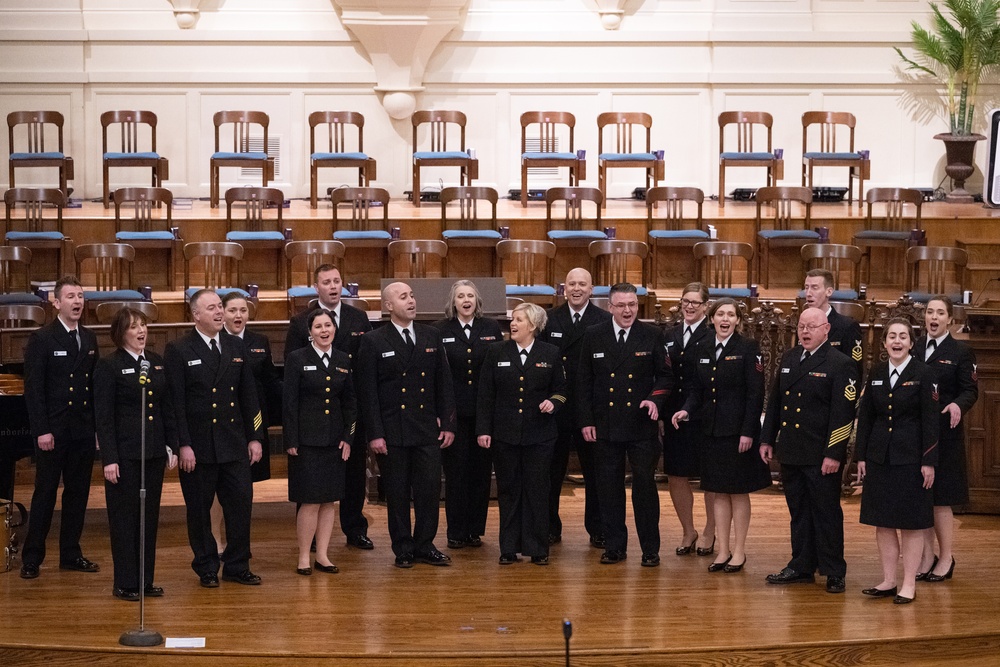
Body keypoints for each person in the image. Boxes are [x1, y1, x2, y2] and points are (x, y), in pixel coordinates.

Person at [164, 289, 264, 588]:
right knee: (199, 510)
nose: (220, 312)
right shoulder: (179, 349)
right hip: (198, 447)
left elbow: (249, 397)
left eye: (220, 306)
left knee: (241, 506)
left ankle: (237, 564)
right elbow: (175, 403)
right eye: (212, 308)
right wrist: (183, 444)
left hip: (233, 444)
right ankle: (206, 565)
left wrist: (256, 437)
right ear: (196, 314)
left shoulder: (235, 346)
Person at [356, 282, 456, 568]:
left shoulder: (431, 335)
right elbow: (368, 393)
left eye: (412, 296)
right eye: (403, 297)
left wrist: (448, 424)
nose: (411, 301)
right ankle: (403, 548)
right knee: (397, 493)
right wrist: (375, 434)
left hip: (426, 428)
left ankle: (425, 544)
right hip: (393, 430)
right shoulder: (374, 341)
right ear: (389, 306)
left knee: (428, 490)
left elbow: (443, 384)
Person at [760, 306, 858, 594]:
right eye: (801, 326)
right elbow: (775, 401)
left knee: (826, 512)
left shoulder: (840, 364)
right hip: (791, 449)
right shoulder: (790, 358)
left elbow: (843, 414)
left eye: (811, 327)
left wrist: (834, 453)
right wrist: (767, 439)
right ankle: (801, 565)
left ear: (826, 329)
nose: (804, 331)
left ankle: (833, 570)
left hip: (820, 454)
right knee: (799, 511)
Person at [671, 298, 769, 573]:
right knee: (718, 494)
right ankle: (723, 549)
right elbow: (696, 390)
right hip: (710, 431)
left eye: (731, 315)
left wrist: (749, 431)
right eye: (720, 315)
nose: (725, 319)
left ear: (738, 320)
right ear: (712, 318)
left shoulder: (748, 348)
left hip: (738, 434)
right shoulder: (702, 347)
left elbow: (755, 394)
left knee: (737, 493)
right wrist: (685, 411)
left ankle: (739, 551)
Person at [577, 283, 672, 567]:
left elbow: (666, 377)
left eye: (632, 305)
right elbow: (583, 381)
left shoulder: (652, 334)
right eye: (621, 305)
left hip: (641, 426)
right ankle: (615, 546)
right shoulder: (594, 335)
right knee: (608, 488)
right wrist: (586, 420)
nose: (628, 310)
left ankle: (650, 549)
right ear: (610, 307)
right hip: (605, 426)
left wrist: (655, 400)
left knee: (644, 487)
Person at [285, 264, 374, 550]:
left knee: (354, 471)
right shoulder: (300, 322)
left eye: (337, 281)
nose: (334, 286)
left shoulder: (359, 318)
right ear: (316, 287)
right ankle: (309, 537)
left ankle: (354, 528)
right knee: (311, 480)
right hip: (313, 414)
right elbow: (292, 369)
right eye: (327, 282)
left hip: (350, 406)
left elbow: (366, 363)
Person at [94, 307, 179, 600]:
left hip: (153, 452)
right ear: (121, 333)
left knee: (148, 517)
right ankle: (125, 582)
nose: (141, 331)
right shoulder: (110, 366)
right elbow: (103, 417)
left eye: (143, 325)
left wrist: (170, 445)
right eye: (133, 327)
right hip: (125, 454)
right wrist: (110, 458)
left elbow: (165, 408)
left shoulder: (155, 363)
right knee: (124, 518)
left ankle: (145, 579)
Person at [20, 276, 101, 579]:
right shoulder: (42, 339)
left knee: (78, 494)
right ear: (56, 302)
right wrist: (41, 429)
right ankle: (32, 557)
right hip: (52, 433)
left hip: (81, 431)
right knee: (45, 493)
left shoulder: (90, 339)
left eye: (80, 296)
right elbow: (34, 390)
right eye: (70, 296)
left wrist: (95, 431)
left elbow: (93, 389)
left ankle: (70, 553)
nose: (77, 301)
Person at [856, 318, 939, 604]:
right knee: (884, 521)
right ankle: (889, 580)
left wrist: (929, 461)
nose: (897, 341)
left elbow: (931, 420)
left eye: (903, 336)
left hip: (911, 459)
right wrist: (861, 456)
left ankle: (908, 583)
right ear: (884, 343)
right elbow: (866, 416)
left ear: (912, 343)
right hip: (880, 457)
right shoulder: (877, 372)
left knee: (911, 523)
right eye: (891, 336)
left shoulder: (924, 373)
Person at [477, 303, 567, 565]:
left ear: (534, 325)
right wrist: (483, 430)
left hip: (540, 436)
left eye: (519, 319)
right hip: (505, 436)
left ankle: (537, 548)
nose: (513, 324)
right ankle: (508, 547)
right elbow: (486, 395)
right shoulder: (496, 352)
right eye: (512, 319)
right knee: (509, 490)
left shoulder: (550, 353)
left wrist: (554, 402)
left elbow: (562, 390)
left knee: (538, 491)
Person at [540, 267, 611, 548]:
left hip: (590, 409)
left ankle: (598, 528)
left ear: (592, 289)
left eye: (583, 284)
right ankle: (548, 526)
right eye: (572, 284)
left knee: (595, 473)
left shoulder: (604, 320)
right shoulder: (550, 319)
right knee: (551, 472)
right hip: (557, 408)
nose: (577, 288)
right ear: (563, 288)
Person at [283, 309, 357, 576]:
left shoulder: (343, 359)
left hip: (334, 441)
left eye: (328, 325)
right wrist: (291, 439)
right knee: (310, 501)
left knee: (329, 501)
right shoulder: (297, 358)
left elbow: (350, 403)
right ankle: (304, 556)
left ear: (334, 330)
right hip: (306, 442)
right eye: (318, 327)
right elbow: (289, 402)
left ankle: (323, 555)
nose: (324, 330)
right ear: (309, 332)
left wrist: (348, 437)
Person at [209, 292, 282, 553]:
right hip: (223, 424)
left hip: (250, 423)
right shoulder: (216, 343)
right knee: (218, 488)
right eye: (232, 310)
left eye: (243, 310)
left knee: (242, 489)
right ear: (222, 313)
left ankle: (239, 544)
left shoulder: (259, 341)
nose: (238, 315)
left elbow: (270, 383)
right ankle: (216, 539)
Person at [433, 280, 503, 549]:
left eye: (470, 295)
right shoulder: (440, 330)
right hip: (454, 415)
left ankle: (475, 530)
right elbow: (439, 377)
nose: (466, 300)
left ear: (477, 300)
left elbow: (497, 369)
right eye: (460, 296)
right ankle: (456, 531)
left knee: (481, 474)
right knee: (456, 474)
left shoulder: (490, 328)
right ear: (453, 301)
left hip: (484, 413)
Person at [914, 296, 978, 582]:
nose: (934, 317)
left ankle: (947, 557)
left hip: (944, 433)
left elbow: (970, 390)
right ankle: (927, 556)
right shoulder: (914, 347)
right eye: (930, 312)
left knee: (941, 498)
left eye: (940, 312)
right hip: (916, 433)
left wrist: (957, 405)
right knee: (921, 496)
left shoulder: (961, 352)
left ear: (950, 319)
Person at [662, 282, 717, 556]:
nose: (690, 306)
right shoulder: (669, 334)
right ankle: (688, 530)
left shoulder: (713, 335)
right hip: (674, 416)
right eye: (686, 301)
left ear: (706, 307)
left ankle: (709, 531)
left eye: (696, 302)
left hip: (705, 415)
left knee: (709, 477)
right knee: (676, 474)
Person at [802, 268, 864, 376]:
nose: (808, 293)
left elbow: (853, 370)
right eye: (806, 288)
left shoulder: (847, 327)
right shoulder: (802, 324)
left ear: (829, 291)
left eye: (814, 288)